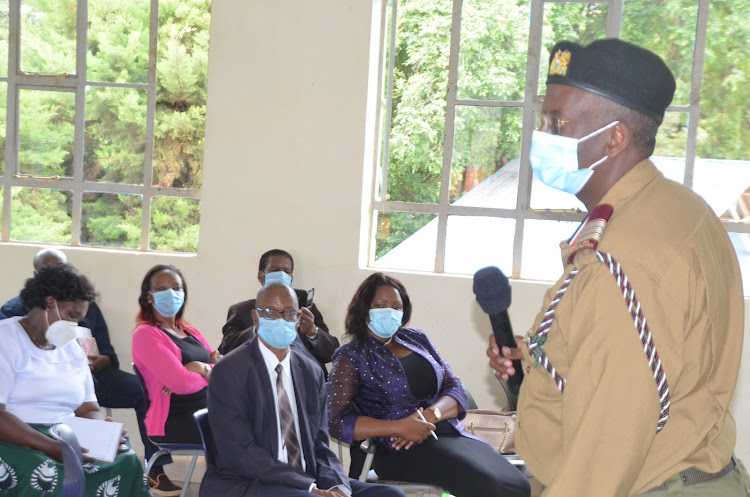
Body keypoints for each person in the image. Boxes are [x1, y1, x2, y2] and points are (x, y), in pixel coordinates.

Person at [487, 38, 750, 496]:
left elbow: (604, 452)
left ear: (614, 137)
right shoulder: (680, 209)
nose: (543, 135)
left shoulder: (621, 262)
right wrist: (540, 361)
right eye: (544, 119)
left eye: (559, 123)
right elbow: (653, 358)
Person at [328, 272, 530, 497]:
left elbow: (454, 388)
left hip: (449, 433)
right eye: (380, 305)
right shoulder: (350, 356)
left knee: (517, 485)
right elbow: (337, 421)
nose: (390, 311)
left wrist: (430, 416)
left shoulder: (416, 339)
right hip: (399, 451)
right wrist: (399, 427)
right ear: (364, 309)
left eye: (397, 307)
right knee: (495, 487)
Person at [202, 281, 406, 497]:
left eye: (289, 313)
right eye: (270, 312)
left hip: (308, 478)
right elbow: (240, 453)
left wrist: (337, 485)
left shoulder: (310, 371)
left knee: (392, 496)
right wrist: (308, 487)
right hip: (252, 482)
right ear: (255, 318)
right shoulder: (230, 371)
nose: (281, 320)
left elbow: (320, 445)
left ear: (299, 319)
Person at [0, 247, 161, 492]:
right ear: (48, 303)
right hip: (17, 438)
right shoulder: (6, 338)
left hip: (65, 437)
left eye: (79, 320)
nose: (75, 325)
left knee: (126, 461)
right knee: (49, 473)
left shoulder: (71, 348)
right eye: (72, 316)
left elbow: (88, 408)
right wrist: (52, 447)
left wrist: (99, 435)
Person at [132, 264, 221, 496]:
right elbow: (181, 384)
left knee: (254, 420)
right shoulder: (146, 334)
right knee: (240, 431)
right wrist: (208, 372)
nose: (170, 293)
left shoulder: (189, 331)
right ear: (149, 297)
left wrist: (201, 368)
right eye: (161, 288)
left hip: (208, 409)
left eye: (176, 287)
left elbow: (222, 367)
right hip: (175, 420)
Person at [218, 249, 339, 376]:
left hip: (307, 377)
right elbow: (226, 350)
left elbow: (332, 353)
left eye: (286, 271)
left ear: (291, 278)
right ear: (261, 276)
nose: (281, 275)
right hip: (260, 375)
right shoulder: (241, 310)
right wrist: (259, 328)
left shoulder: (307, 310)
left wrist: (313, 332)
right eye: (274, 270)